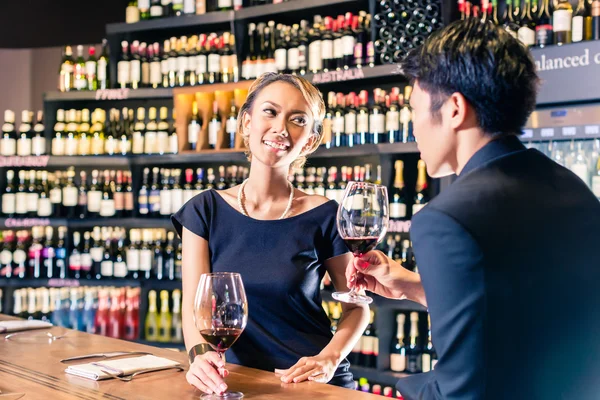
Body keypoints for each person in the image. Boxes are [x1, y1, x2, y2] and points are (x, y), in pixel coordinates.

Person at [346, 19, 600, 400]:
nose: (412, 129)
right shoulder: (572, 188)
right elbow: (528, 313)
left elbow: (461, 391)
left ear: (454, 109)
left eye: (414, 110)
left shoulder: (445, 221)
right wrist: (415, 287)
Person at [172, 72, 369, 396]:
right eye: (270, 112)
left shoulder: (327, 215)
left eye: (297, 119)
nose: (280, 127)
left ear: (310, 139)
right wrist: (199, 356)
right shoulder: (204, 210)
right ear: (247, 122)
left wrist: (329, 358)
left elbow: (357, 306)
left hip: (312, 385)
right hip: (237, 381)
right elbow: (195, 308)